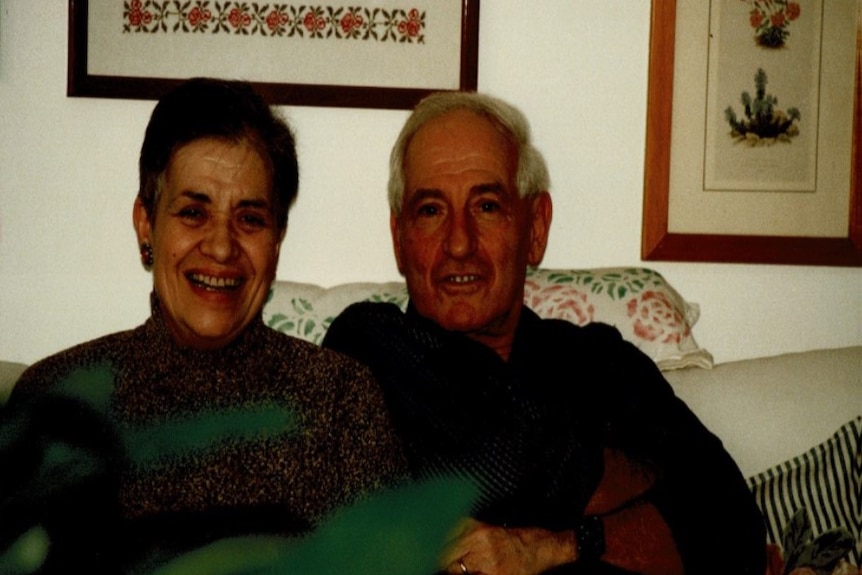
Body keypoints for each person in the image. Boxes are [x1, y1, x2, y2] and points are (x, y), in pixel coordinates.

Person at [323, 91, 767, 575]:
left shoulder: (602, 362)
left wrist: (552, 547)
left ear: (535, 226)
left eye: (487, 206)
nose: (458, 243)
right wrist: (643, 479)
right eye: (431, 210)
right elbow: (490, 471)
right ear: (399, 239)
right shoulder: (365, 347)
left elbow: (736, 531)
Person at [3, 78, 405, 572]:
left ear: (276, 240)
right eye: (193, 213)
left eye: (250, 219)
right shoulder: (56, 401)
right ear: (146, 225)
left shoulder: (341, 404)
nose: (221, 247)